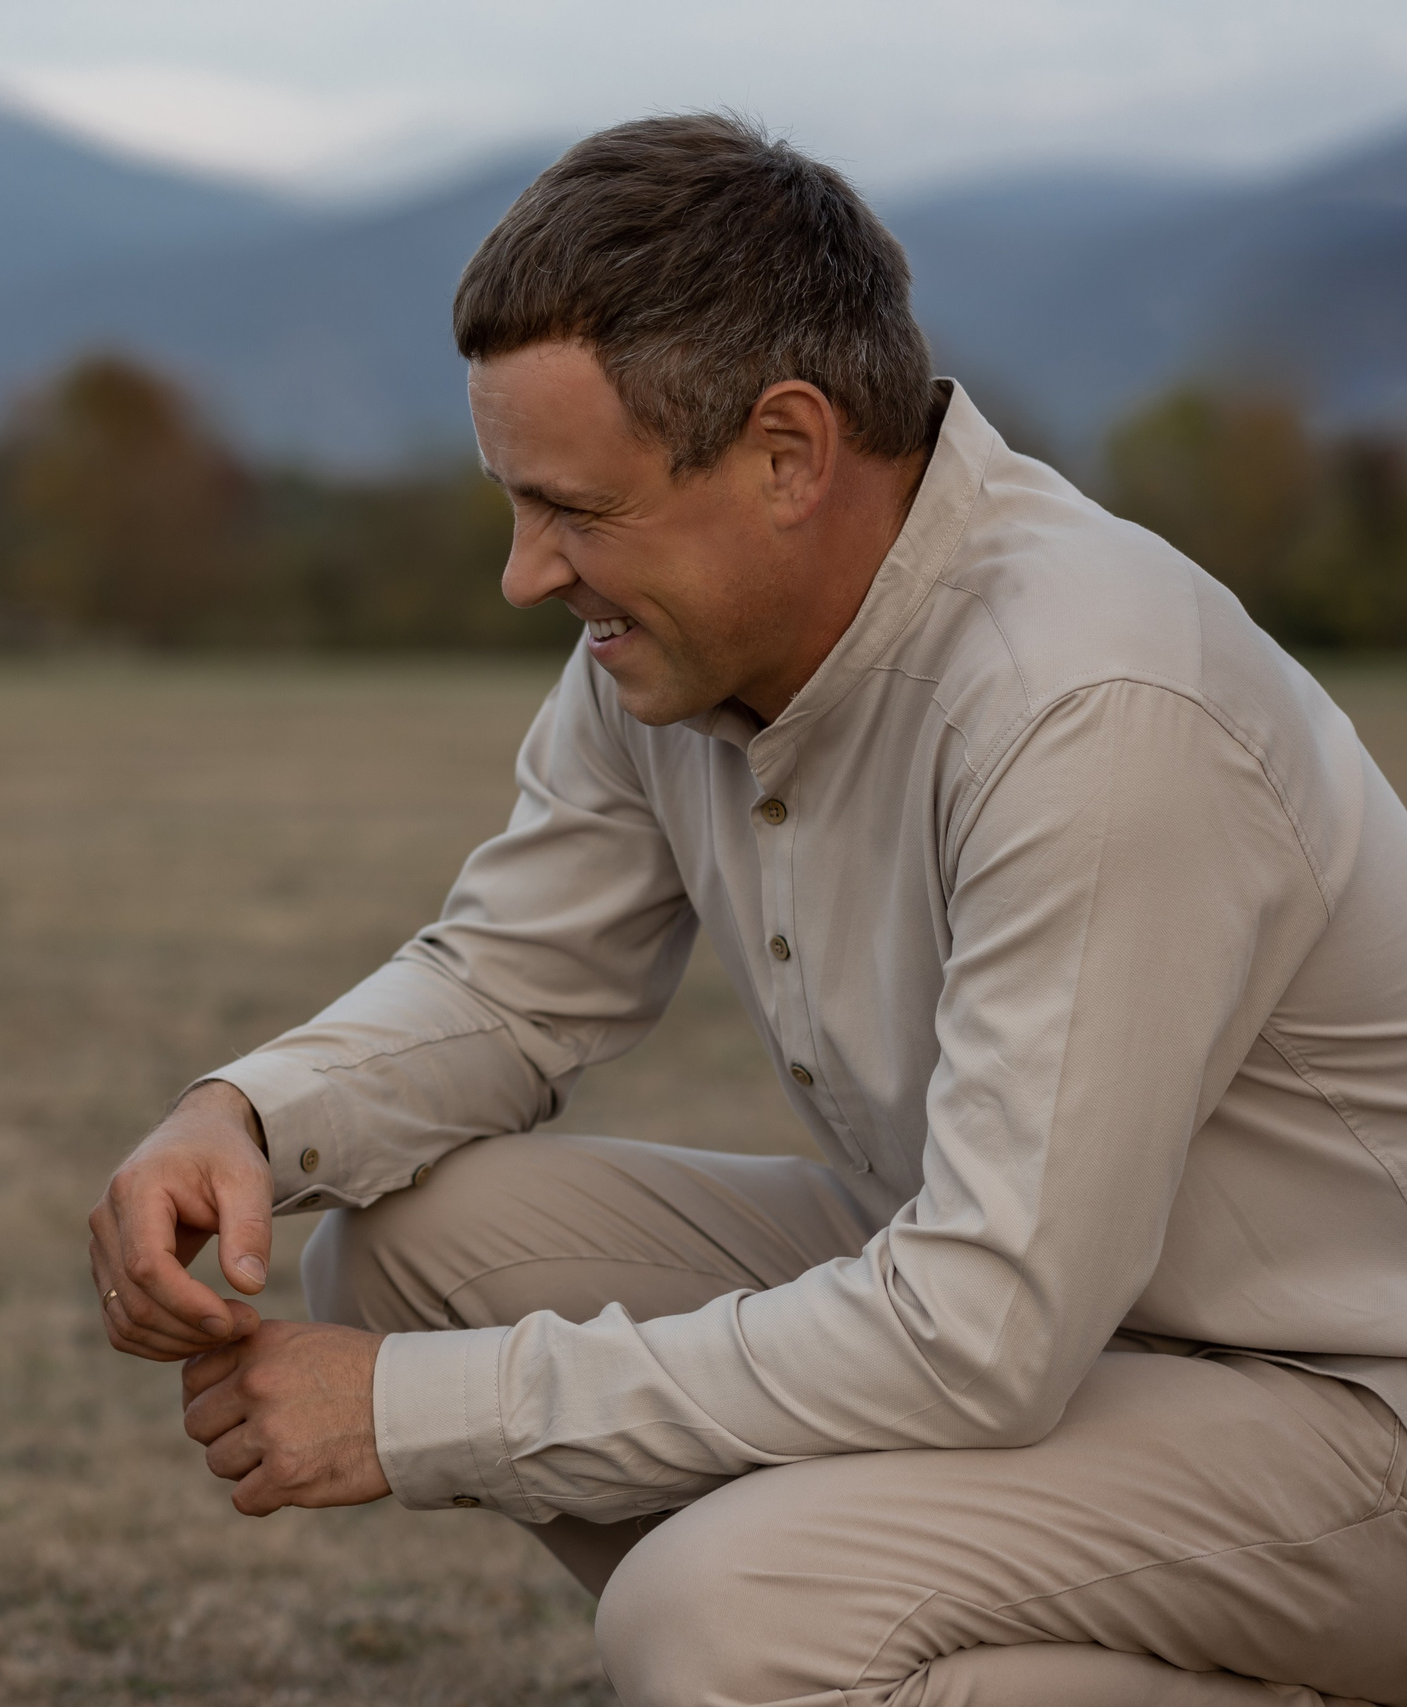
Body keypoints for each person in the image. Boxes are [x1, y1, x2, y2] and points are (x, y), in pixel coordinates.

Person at [90, 115, 1407, 1705]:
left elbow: (985, 1325)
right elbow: (513, 981)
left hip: (1339, 1403)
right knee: (420, 1249)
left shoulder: (1091, 701)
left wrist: (417, 1413)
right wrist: (238, 1113)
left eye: (574, 509)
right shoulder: (669, 651)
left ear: (788, 453)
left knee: (722, 1618)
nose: (525, 574)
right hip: (1048, 1309)